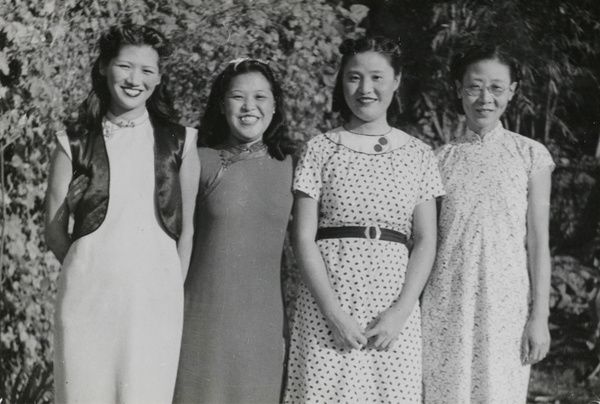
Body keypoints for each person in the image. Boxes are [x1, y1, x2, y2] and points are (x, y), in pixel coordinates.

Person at [283, 36, 444, 403]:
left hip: (392, 311)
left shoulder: (419, 154)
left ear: (396, 80)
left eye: (377, 77)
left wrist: (401, 312)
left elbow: (425, 240)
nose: (365, 88)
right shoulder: (320, 148)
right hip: (329, 305)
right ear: (342, 82)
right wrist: (333, 313)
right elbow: (302, 237)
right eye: (354, 77)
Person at [44, 23, 199, 403]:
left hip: (154, 300)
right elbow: (53, 229)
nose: (134, 80)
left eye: (147, 70)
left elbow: (189, 230)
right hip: (87, 300)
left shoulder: (181, 141)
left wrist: (168, 285)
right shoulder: (74, 142)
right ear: (103, 67)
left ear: (159, 77)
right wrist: (86, 268)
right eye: (125, 66)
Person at [421, 45, 554, 403]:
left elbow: (539, 242)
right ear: (458, 89)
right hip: (446, 304)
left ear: (512, 92)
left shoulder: (530, 154)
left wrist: (539, 317)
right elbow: (425, 242)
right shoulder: (438, 160)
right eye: (475, 86)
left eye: (496, 88)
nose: (485, 98)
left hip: (506, 305)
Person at [172, 58, 296, 404]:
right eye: (237, 97)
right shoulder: (198, 159)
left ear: (274, 105)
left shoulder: (292, 165)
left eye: (260, 97)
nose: (249, 107)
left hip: (263, 326)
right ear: (221, 104)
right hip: (200, 323)